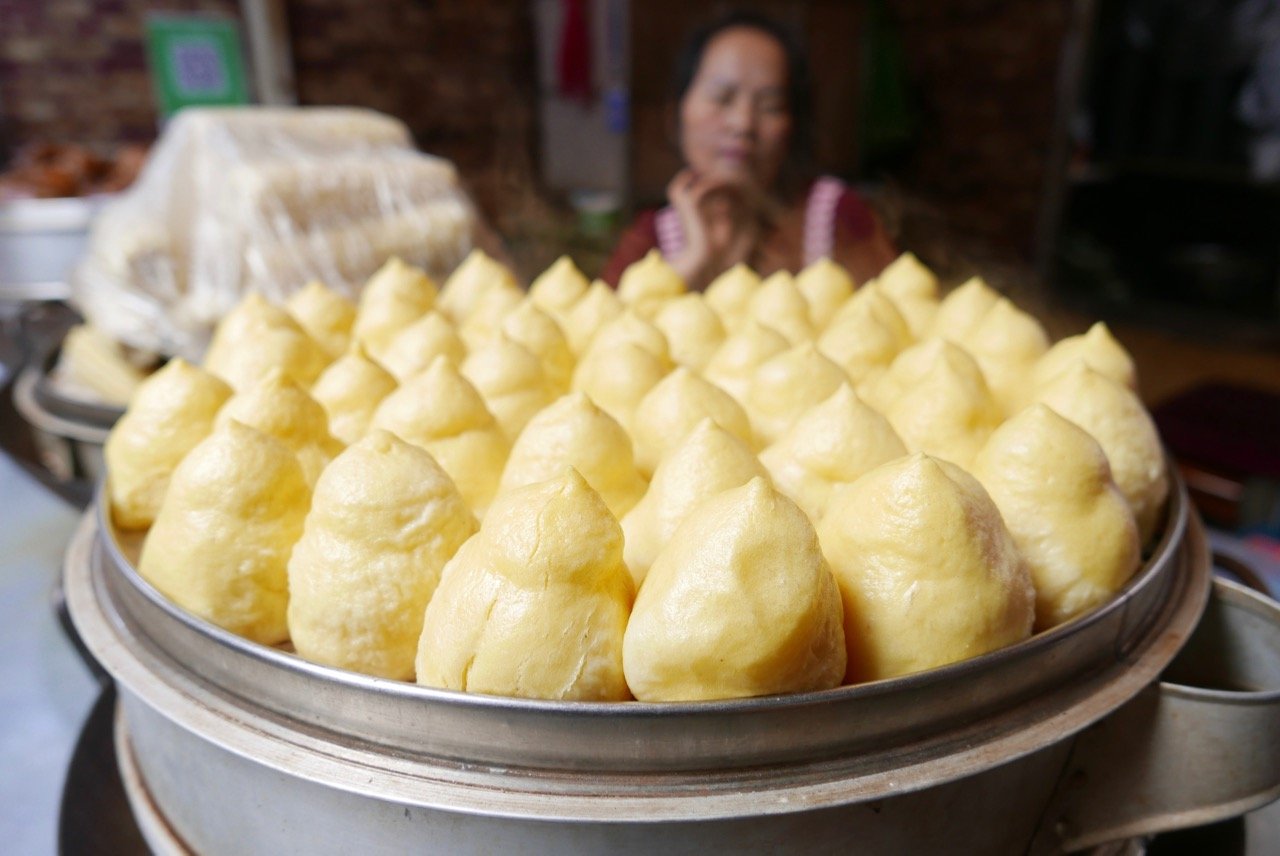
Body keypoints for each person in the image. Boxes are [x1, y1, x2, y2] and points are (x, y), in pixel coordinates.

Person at [603, 11, 897, 290]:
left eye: (770, 106)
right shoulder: (651, 239)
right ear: (676, 114)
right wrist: (694, 259)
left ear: (793, 125)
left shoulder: (837, 217)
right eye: (722, 98)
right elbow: (607, 331)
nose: (743, 124)